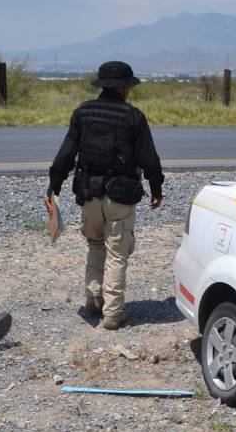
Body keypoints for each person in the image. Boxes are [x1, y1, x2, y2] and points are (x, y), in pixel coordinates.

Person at [47, 61, 163, 330]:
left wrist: (53, 188)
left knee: (94, 245)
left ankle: (94, 298)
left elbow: (65, 154)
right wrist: (156, 189)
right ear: (125, 88)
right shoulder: (134, 117)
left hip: (89, 193)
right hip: (120, 196)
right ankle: (113, 313)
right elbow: (149, 159)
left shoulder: (82, 113)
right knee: (117, 253)